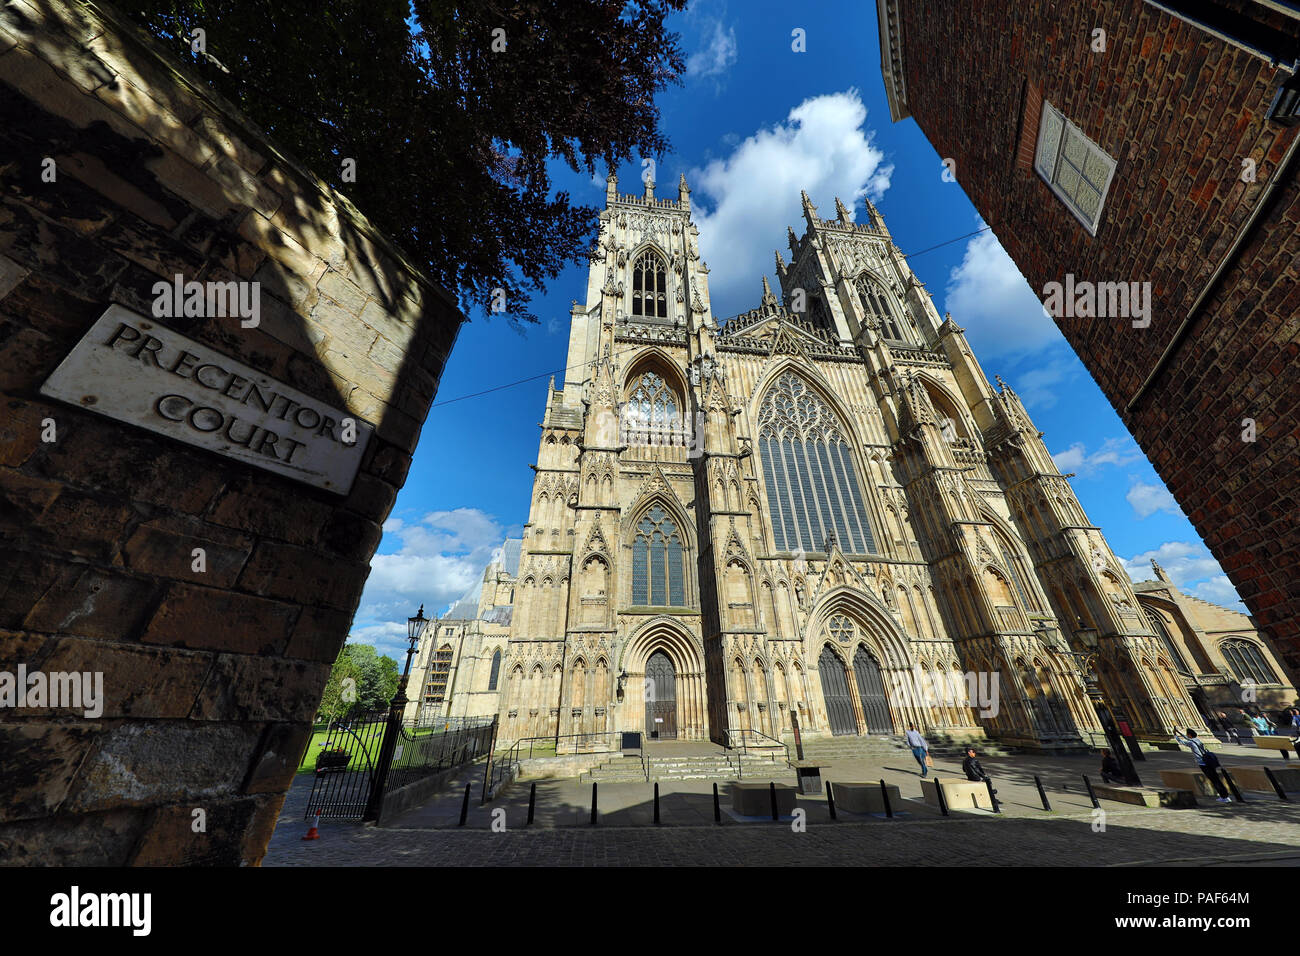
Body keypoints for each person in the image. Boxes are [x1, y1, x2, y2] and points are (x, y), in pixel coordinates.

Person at [1174, 728, 1231, 802]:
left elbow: (1182, 742)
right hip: (1209, 762)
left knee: (1214, 780)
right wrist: (1179, 732)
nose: (1186, 735)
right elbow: (1187, 738)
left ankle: (1224, 797)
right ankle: (1225, 795)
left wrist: (1175, 736)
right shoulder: (1197, 740)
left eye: (1187, 734)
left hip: (1203, 763)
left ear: (1189, 735)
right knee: (1216, 779)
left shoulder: (1191, 743)